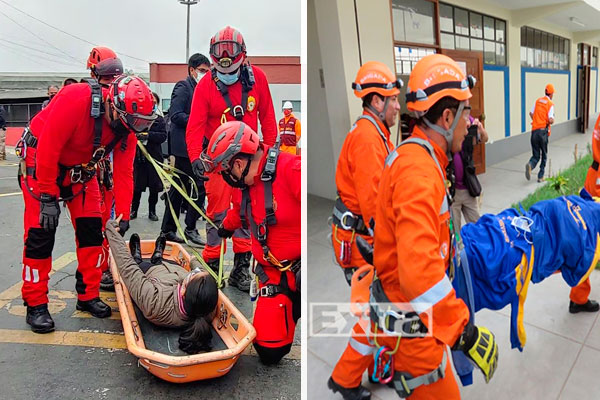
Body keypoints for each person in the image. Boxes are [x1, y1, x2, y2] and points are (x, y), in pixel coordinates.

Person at [370, 54, 498, 398]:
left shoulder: (419, 158)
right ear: (445, 117)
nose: (469, 124)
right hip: (415, 332)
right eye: (465, 115)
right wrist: (463, 332)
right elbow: (419, 275)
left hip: (416, 320)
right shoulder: (419, 174)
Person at [18, 74, 156, 333]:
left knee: (93, 230)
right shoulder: (76, 98)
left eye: (140, 122)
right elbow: (49, 144)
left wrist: (124, 213)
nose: (135, 127)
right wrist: (48, 195)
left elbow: (125, 172)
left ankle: (88, 295)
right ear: (113, 107)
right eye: (134, 120)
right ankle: (35, 304)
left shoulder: (127, 128)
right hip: (42, 161)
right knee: (40, 234)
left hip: (81, 169)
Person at [327, 61, 401, 400]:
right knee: (372, 316)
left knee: (379, 312)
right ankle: (345, 378)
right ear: (375, 102)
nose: (398, 107)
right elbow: (375, 209)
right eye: (393, 100)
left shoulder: (374, 133)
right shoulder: (369, 139)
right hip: (362, 246)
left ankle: (377, 366)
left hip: (358, 240)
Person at [186, 26, 278, 292]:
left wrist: (269, 156)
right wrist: (195, 158)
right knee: (216, 215)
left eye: (230, 50)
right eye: (219, 52)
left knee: (246, 213)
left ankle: (240, 269)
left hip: (249, 163)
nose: (225, 57)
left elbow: (268, 118)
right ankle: (213, 269)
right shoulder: (205, 85)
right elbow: (194, 126)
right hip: (218, 163)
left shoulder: (257, 78)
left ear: (243, 53)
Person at [200, 121, 300, 364]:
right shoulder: (245, 182)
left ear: (238, 163)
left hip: (301, 269)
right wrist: (225, 227)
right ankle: (288, 309)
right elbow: (241, 210)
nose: (225, 176)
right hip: (274, 275)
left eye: (225, 170)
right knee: (269, 351)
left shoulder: (292, 170)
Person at [104, 219, 218, 354]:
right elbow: (203, 282)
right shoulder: (206, 307)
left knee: (137, 265)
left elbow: (127, 266)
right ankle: (158, 257)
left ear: (183, 291)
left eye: (192, 274)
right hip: (172, 270)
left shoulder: (155, 302)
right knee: (161, 261)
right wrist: (194, 263)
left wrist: (110, 231)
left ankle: (138, 257)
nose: (195, 271)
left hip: (153, 274)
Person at [159, 53, 210, 246]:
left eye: (207, 71)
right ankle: (190, 228)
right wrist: (197, 121)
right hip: (184, 148)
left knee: (178, 191)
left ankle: (167, 230)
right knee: (199, 187)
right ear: (192, 70)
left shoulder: (201, 89)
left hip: (195, 146)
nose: (205, 74)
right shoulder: (184, 87)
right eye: (202, 71)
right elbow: (176, 114)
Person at [130, 92, 167, 221]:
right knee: (137, 186)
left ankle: (152, 211)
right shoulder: (138, 118)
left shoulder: (159, 119)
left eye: (154, 102)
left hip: (154, 157)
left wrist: (148, 135)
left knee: (154, 187)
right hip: (139, 157)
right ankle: (133, 210)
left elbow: (163, 136)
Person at [451, 116, 488, 232]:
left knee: (478, 227)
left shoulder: (468, 119)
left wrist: (480, 129)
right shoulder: (447, 120)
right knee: (454, 231)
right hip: (452, 191)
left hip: (468, 187)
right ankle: (457, 248)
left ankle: (478, 247)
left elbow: (485, 138)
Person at [526, 84, 555, 183]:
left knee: (536, 155)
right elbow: (550, 120)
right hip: (543, 132)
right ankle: (540, 176)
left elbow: (531, 113)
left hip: (534, 132)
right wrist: (551, 120)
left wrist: (537, 120)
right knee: (544, 155)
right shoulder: (550, 104)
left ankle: (530, 165)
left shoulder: (538, 101)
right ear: (551, 94)